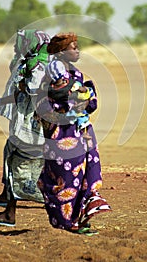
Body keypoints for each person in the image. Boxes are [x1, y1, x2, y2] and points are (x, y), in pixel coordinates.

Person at [36, 32, 111, 235]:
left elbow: (85, 100)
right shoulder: (52, 74)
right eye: (73, 47)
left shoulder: (76, 74)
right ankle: (66, 223)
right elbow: (58, 99)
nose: (77, 50)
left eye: (78, 46)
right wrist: (80, 96)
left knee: (87, 174)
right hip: (62, 133)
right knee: (66, 178)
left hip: (82, 131)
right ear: (61, 52)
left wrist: (84, 96)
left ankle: (81, 218)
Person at [0, 30, 51, 226]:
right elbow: (23, 94)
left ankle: (12, 212)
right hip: (25, 118)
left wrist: (23, 88)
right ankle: (10, 197)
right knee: (12, 153)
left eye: (21, 43)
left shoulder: (38, 65)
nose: (16, 46)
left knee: (19, 161)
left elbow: (32, 92)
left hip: (31, 122)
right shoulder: (30, 62)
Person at [45, 59, 95, 138]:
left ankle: (81, 128)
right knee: (81, 116)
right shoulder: (70, 82)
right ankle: (82, 130)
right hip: (66, 119)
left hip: (62, 121)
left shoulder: (49, 87)